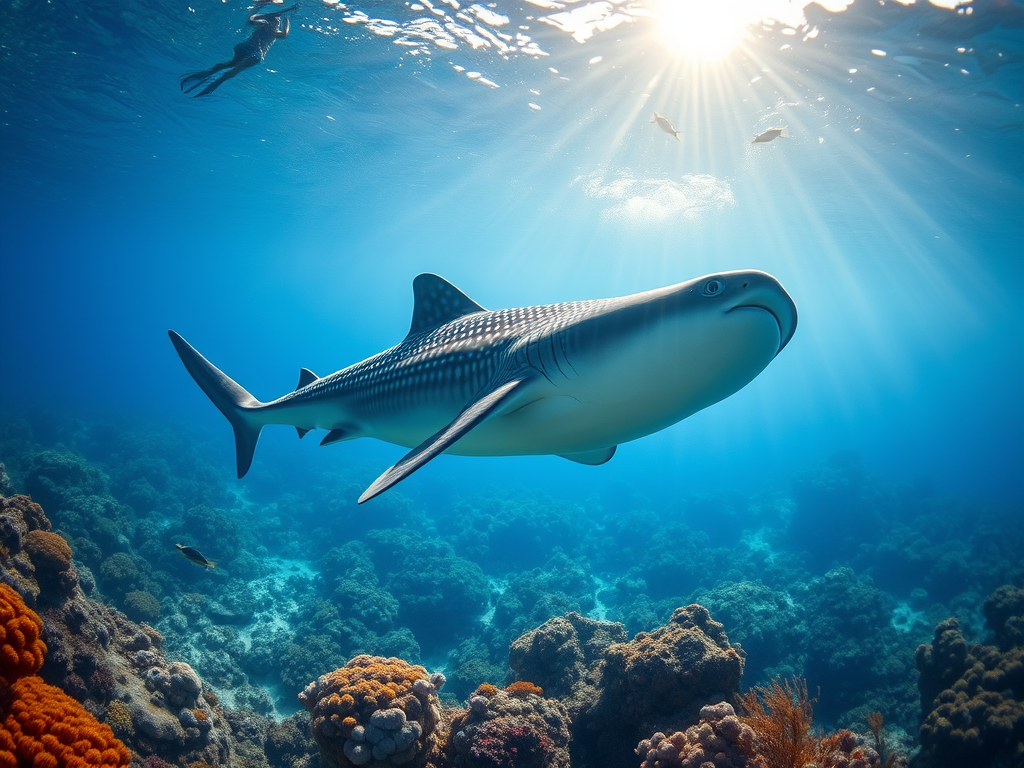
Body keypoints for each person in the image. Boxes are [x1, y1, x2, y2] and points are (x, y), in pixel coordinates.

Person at [181, 1, 298, 97]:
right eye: (277, 20)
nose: (277, 21)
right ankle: (214, 82)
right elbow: (252, 20)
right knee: (235, 68)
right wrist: (284, 17)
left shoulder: (270, 29)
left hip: (246, 48)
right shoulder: (267, 25)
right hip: (255, 53)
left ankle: (208, 74)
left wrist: (285, 16)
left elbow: (284, 33)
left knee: (230, 64)